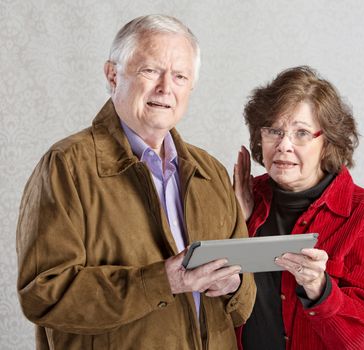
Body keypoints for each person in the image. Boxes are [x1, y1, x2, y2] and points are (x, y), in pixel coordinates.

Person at [16, 14, 255, 350]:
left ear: (191, 87)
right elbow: (43, 295)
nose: (165, 87)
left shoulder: (211, 173)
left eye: (180, 76)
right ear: (113, 75)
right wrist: (163, 281)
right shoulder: (66, 166)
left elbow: (243, 306)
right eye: (151, 70)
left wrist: (236, 283)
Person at [233, 66, 364, 350]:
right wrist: (236, 224)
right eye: (274, 130)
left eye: (301, 133)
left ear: (327, 143)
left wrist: (320, 291)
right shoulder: (243, 198)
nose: (284, 145)